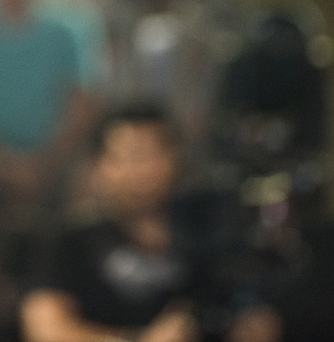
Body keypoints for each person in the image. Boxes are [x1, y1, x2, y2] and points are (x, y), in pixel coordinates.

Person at [19, 104, 282, 342]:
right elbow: (45, 330)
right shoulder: (67, 241)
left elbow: (259, 318)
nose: (142, 171)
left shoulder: (211, 230)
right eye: (131, 156)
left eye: (154, 154)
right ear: (101, 166)